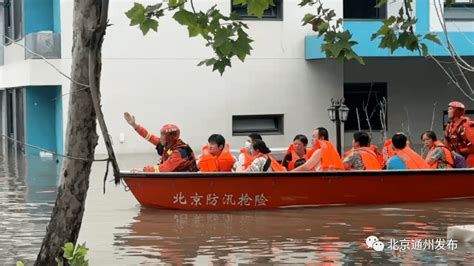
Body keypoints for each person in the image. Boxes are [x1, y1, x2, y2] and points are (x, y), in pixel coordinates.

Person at [124, 112, 198, 172]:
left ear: (169, 138)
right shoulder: (169, 145)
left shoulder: (179, 152)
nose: (160, 137)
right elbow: (149, 136)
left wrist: (144, 170)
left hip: (186, 182)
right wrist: (134, 125)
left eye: (163, 135)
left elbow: (165, 168)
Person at [444, 101, 474, 167]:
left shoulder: (466, 125)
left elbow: (472, 146)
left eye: (450, 109)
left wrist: (460, 151)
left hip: (469, 158)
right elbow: (447, 146)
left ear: (457, 111)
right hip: (456, 158)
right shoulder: (448, 128)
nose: (448, 111)